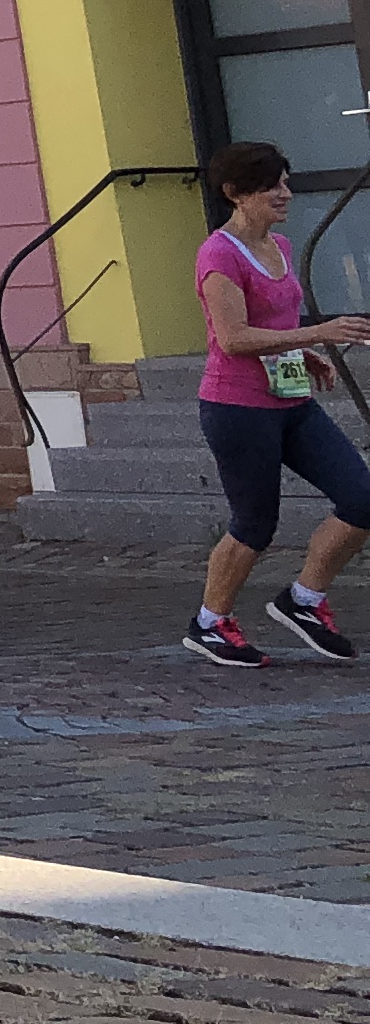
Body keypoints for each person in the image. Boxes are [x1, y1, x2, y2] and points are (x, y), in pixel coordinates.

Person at [186, 139, 370, 667]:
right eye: (271, 185)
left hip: (290, 402)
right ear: (236, 193)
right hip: (237, 408)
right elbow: (233, 338)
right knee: (254, 523)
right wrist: (322, 331)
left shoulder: (281, 247)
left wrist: (305, 351)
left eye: (286, 182)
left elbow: (274, 324)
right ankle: (210, 622)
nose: (284, 193)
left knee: (361, 497)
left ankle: (304, 600)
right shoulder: (219, 254)